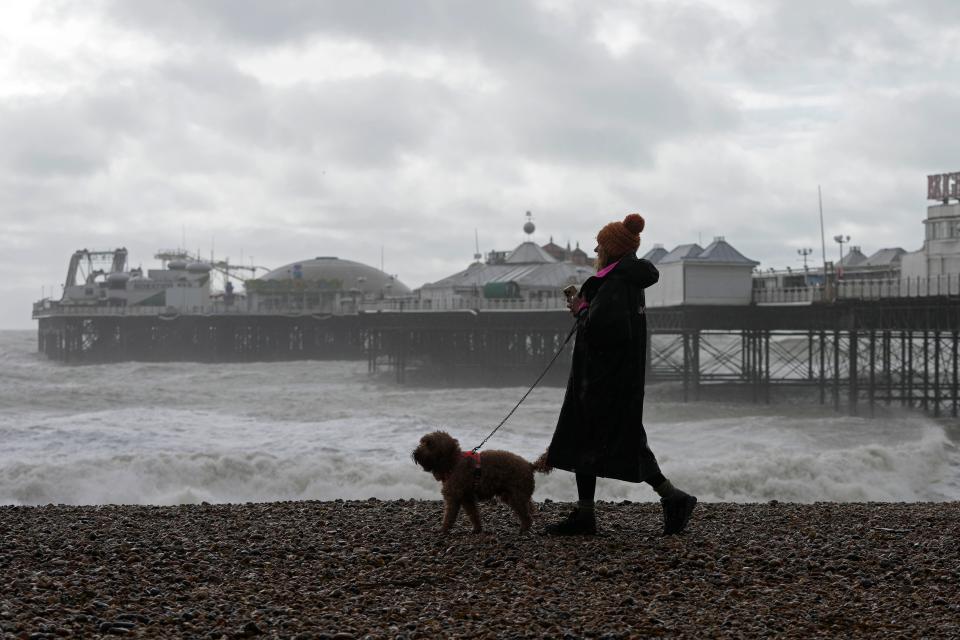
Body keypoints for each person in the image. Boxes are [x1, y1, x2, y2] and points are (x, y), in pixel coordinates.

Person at [544, 213, 697, 536]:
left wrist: (581, 310)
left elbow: (606, 331)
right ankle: (589, 514)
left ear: (612, 247)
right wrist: (587, 310)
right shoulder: (626, 277)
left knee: (612, 441)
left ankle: (674, 497)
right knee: (602, 442)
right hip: (613, 378)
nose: (596, 247)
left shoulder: (615, 283)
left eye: (600, 242)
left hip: (604, 380)